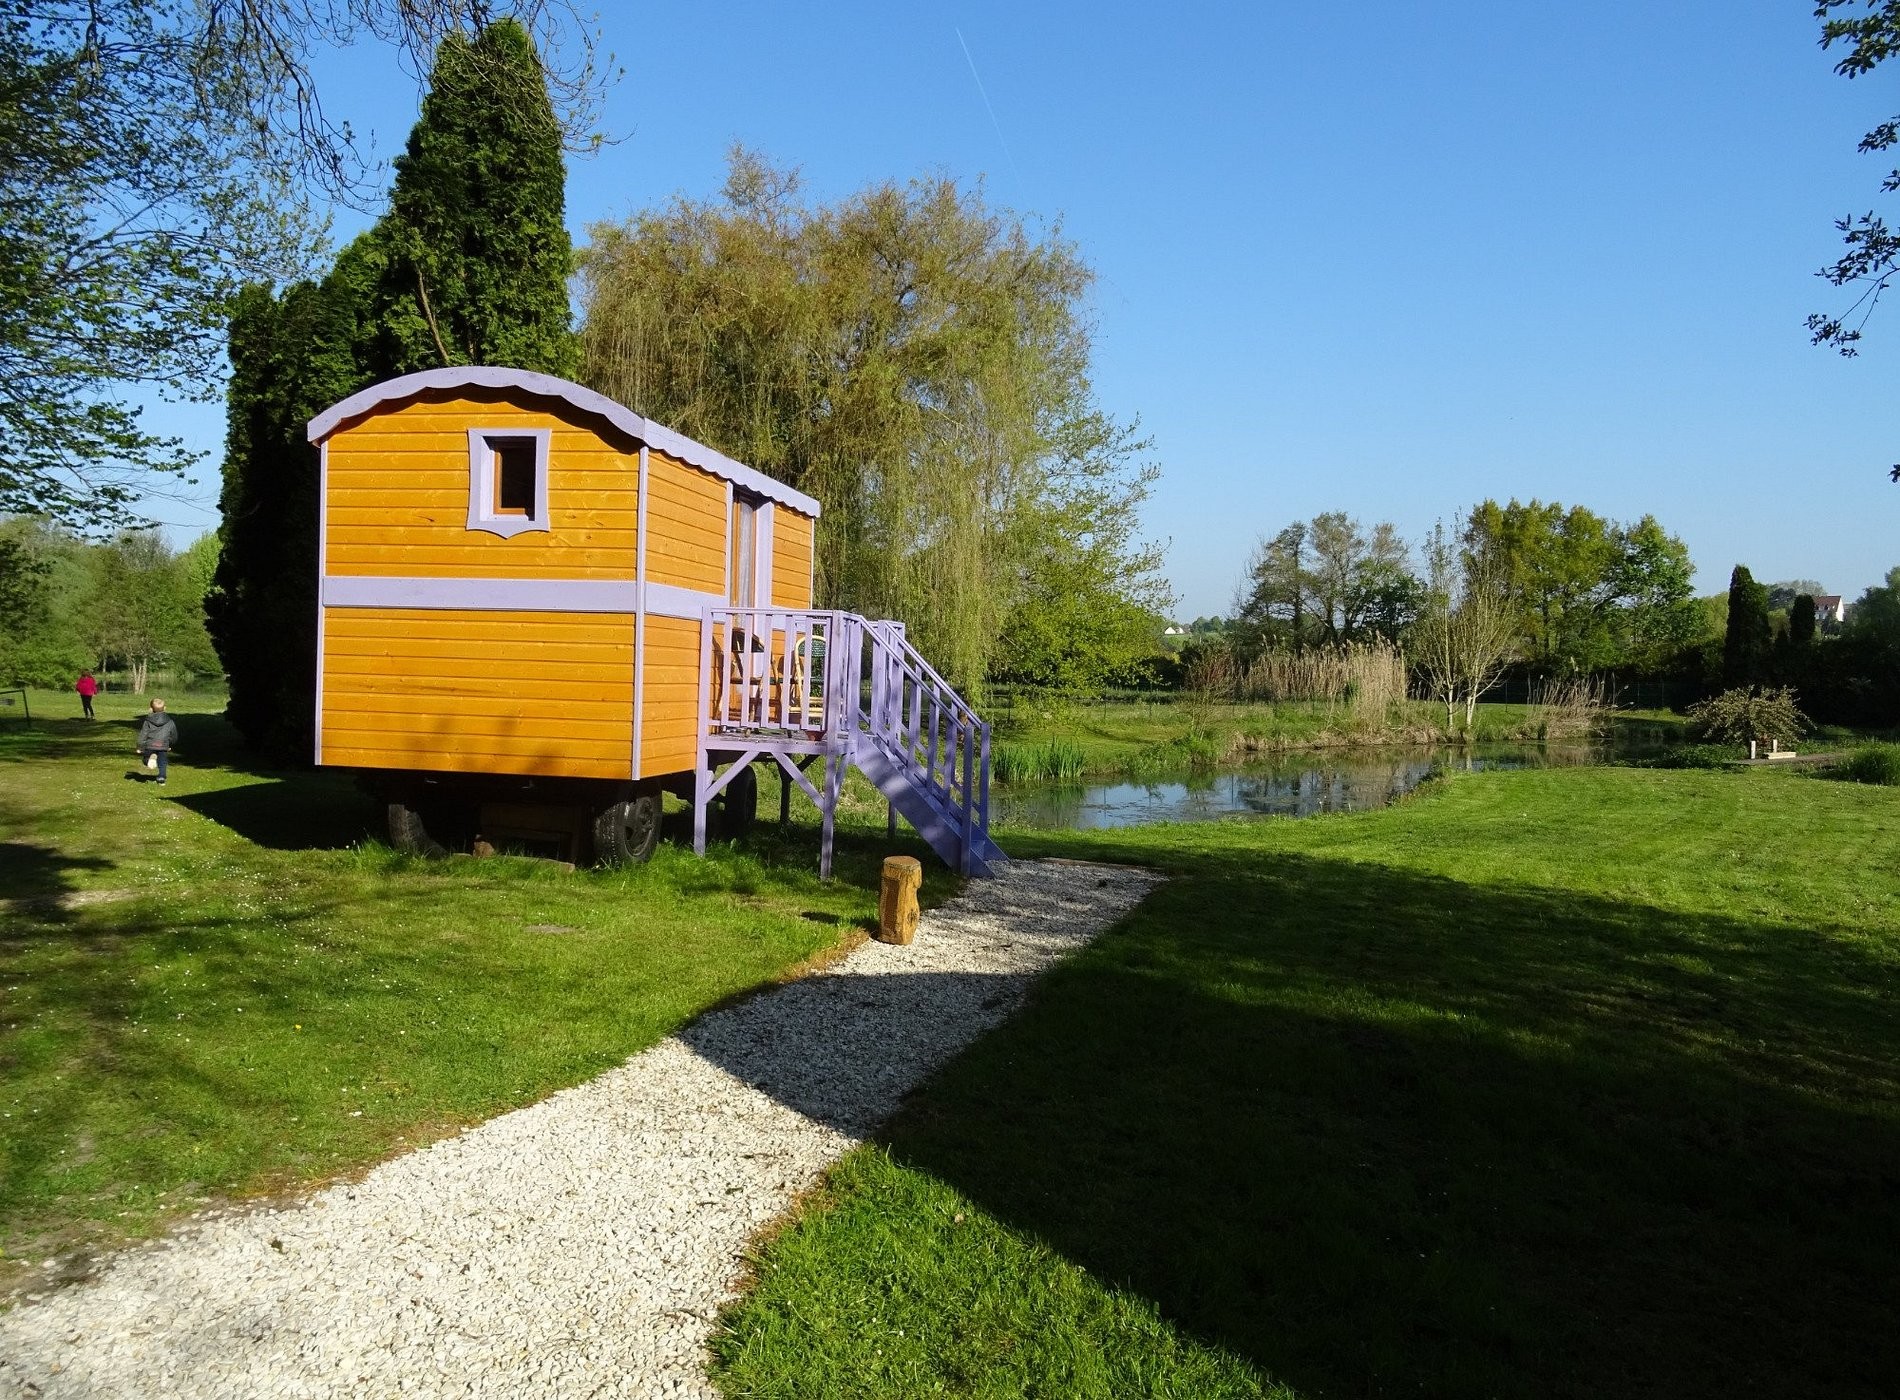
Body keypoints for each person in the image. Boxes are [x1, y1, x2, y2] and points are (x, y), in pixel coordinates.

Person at [136, 698, 178, 785]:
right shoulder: (170, 721)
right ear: (165, 708)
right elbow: (174, 735)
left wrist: (140, 747)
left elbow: (143, 734)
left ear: (151, 709)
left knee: (145, 759)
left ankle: (149, 760)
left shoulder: (148, 721)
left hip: (150, 745)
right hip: (163, 745)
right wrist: (170, 745)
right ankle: (161, 778)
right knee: (162, 762)